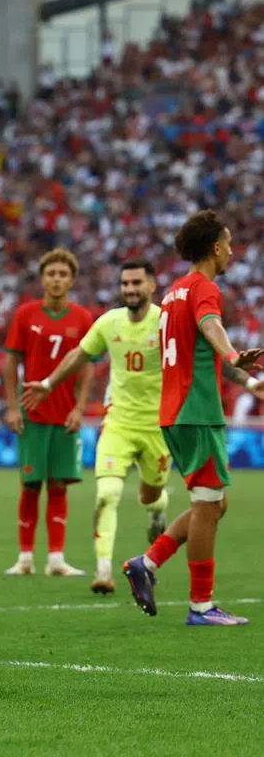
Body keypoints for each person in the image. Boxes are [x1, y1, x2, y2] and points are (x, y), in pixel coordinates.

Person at [123, 209, 264, 626]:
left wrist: (248, 381)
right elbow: (211, 328)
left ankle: (146, 564)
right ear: (216, 247)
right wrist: (234, 352)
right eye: (230, 244)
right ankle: (201, 606)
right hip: (195, 412)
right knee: (208, 504)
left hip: (178, 409)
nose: (233, 252)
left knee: (215, 503)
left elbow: (198, 352)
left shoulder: (173, 293)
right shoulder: (204, 289)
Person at [22, 260, 170, 594]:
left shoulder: (165, 322)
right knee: (107, 494)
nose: (130, 289)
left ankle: (157, 514)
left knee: (152, 496)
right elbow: (79, 355)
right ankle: (104, 571)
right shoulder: (109, 322)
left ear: (151, 286)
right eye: (125, 284)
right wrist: (47, 383)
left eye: (136, 283)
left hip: (158, 428)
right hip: (117, 423)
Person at [2, 249, 94, 578]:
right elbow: (11, 363)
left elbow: (86, 369)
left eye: (62, 274)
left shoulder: (83, 318)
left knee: (59, 486)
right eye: (51, 273)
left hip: (64, 415)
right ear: (42, 279)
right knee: (30, 485)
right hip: (32, 413)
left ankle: (56, 559)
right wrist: (13, 407)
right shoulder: (26, 315)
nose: (56, 279)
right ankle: (25, 558)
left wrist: (80, 408)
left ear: (71, 280)